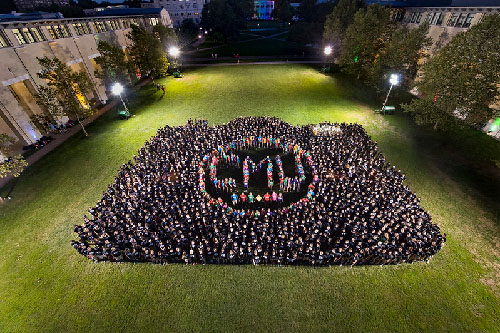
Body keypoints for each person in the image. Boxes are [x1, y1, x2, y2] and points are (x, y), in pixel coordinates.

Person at [72, 117, 445, 266]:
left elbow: (279, 187)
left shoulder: (283, 183)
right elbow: (239, 185)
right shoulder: (231, 184)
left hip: (261, 186)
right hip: (247, 186)